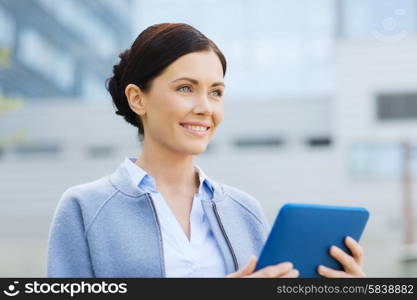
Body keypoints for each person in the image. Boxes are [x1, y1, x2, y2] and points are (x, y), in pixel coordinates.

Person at [47, 23, 366, 278]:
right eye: (185, 88)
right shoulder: (85, 208)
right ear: (137, 99)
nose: (204, 107)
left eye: (216, 92)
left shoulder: (245, 211)